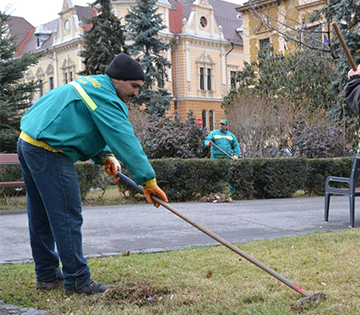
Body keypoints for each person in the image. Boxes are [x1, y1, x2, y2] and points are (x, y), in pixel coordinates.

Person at [17, 53, 168, 295]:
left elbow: (88, 125)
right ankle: (77, 279)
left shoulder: (93, 85)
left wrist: (105, 156)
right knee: (67, 215)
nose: (137, 93)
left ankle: (46, 274)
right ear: (117, 80)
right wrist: (148, 181)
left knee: (41, 215)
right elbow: (124, 139)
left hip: (28, 143)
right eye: (134, 86)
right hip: (49, 150)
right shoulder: (107, 98)